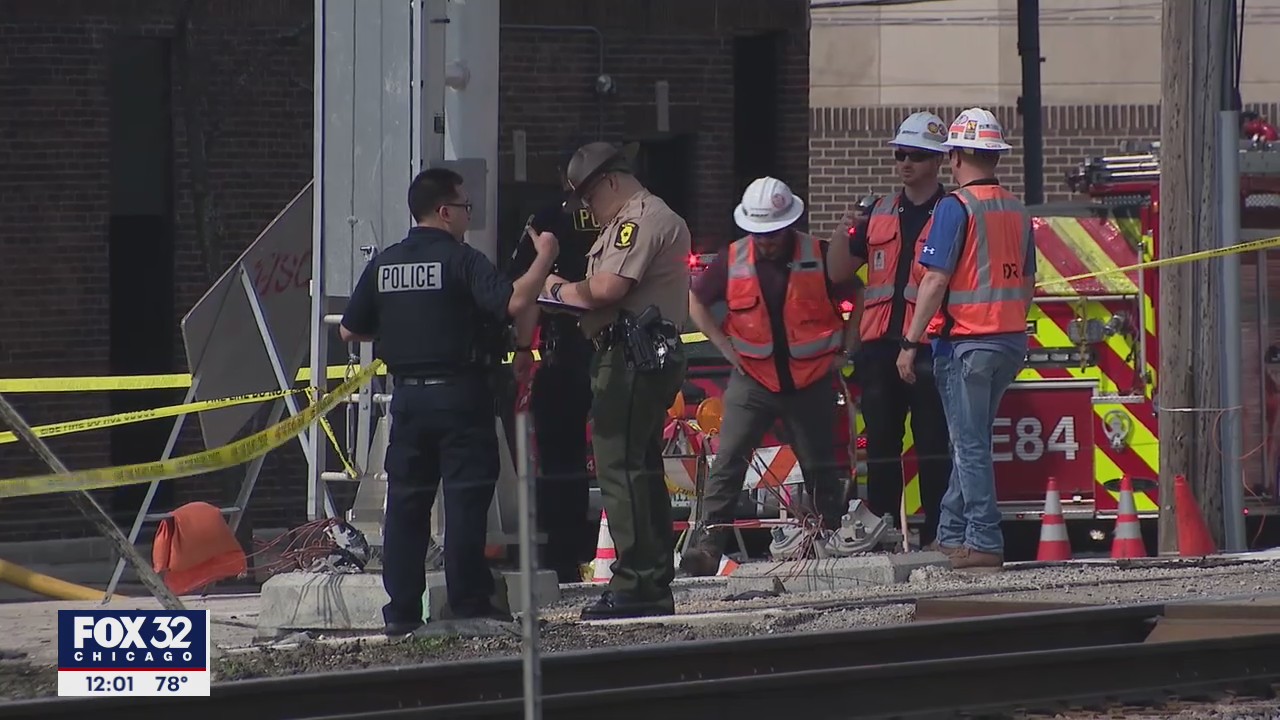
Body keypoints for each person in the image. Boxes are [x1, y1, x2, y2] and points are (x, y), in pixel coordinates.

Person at [339, 167, 559, 635]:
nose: (467, 217)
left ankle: (400, 612)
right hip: (461, 397)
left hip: (408, 403)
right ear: (444, 211)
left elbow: (350, 328)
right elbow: (513, 303)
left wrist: (405, 324)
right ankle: (469, 601)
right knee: (464, 503)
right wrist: (544, 260)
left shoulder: (385, 264)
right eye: (464, 208)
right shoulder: (463, 260)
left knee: (406, 507)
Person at [680, 177, 857, 576]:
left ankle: (828, 536)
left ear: (788, 225)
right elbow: (695, 299)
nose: (765, 242)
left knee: (820, 464)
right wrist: (726, 348)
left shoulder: (819, 255)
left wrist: (846, 349)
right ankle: (708, 547)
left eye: (773, 234)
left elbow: (857, 293)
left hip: (809, 380)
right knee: (728, 460)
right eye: (758, 234)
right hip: (754, 379)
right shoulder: (735, 258)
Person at [542, 141, 690, 620]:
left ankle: (635, 582)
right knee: (640, 469)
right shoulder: (632, 220)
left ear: (609, 181)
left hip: (631, 357)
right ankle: (649, 578)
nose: (586, 208)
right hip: (632, 356)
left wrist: (557, 288)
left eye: (588, 197)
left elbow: (607, 289)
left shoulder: (637, 219)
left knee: (620, 469)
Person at [894, 107, 1036, 570]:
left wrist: (910, 342)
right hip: (1008, 342)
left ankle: (984, 541)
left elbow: (935, 281)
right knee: (968, 441)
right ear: (994, 156)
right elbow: (1028, 281)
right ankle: (952, 533)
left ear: (954, 156)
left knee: (970, 445)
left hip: (966, 345)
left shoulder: (956, 207)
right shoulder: (1016, 208)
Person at [826, 112, 953, 549]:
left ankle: (939, 532)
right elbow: (838, 269)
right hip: (879, 347)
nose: (906, 163)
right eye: (901, 154)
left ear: (938, 161)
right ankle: (880, 529)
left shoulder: (952, 211)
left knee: (935, 443)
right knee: (880, 444)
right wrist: (845, 226)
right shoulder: (878, 212)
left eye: (916, 155)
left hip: (932, 345)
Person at [507, 146, 600, 584]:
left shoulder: (546, 220)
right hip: (620, 348)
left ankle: (564, 556)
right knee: (624, 456)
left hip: (566, 350)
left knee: (561, 457)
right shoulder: (627, 215)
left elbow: (526, 292)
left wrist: (524, 349)